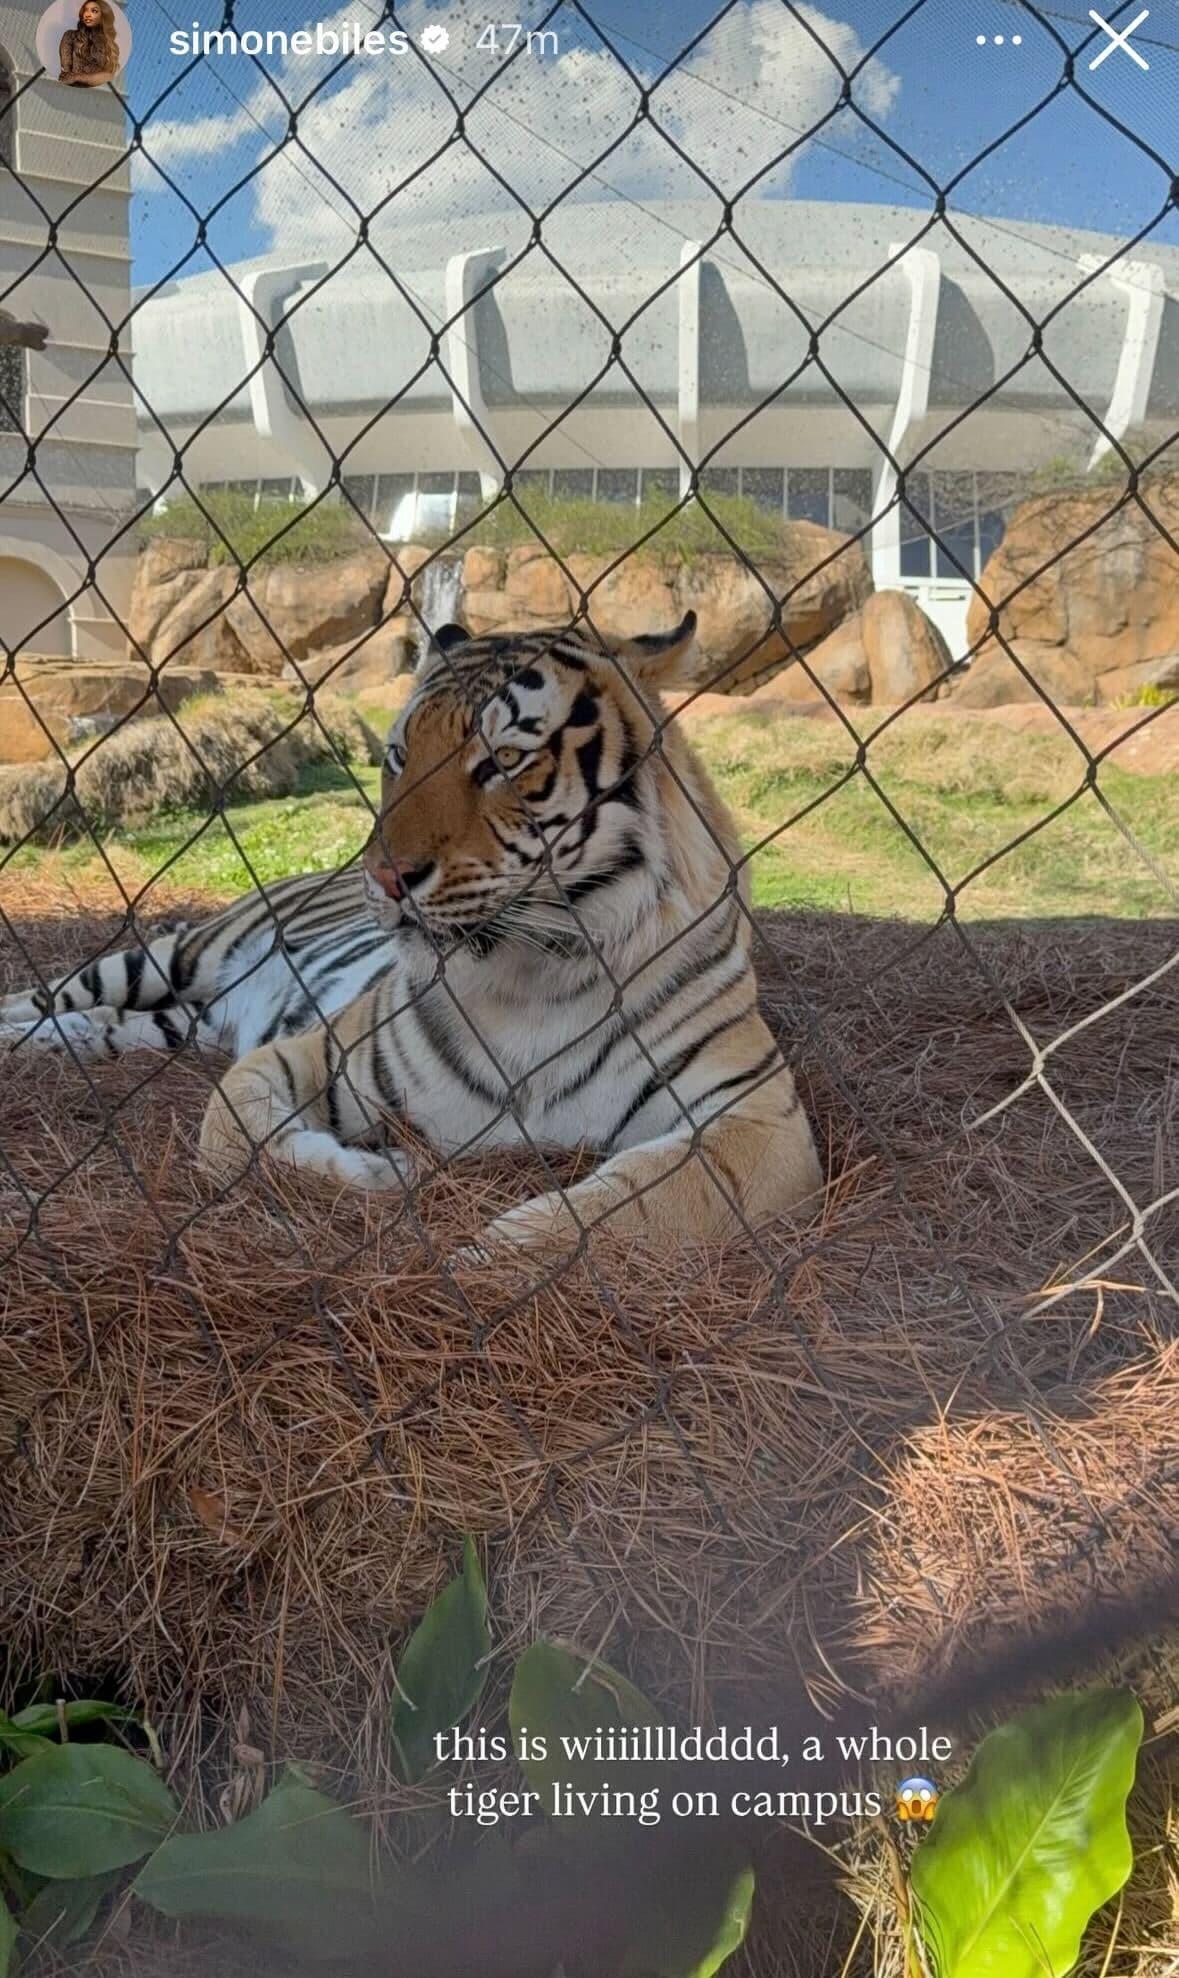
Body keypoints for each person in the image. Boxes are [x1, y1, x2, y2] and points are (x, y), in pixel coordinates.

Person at [57, 0, 119, 86]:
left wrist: (78, 77)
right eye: (85, 10)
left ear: (103, 15)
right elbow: (66, 74)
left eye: (94, 11)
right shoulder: (70, 36)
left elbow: (109, 76)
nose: (87, 14)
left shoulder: (111, 46)